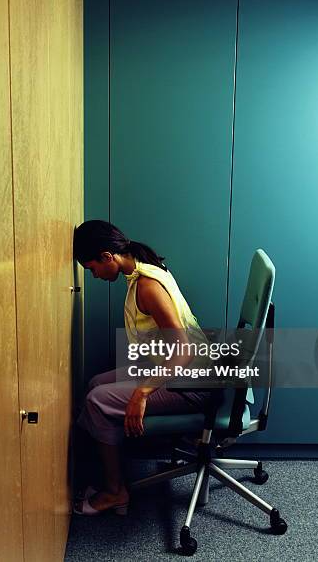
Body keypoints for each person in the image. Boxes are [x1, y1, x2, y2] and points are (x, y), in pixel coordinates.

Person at [72, 220, 212, 516]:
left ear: (108, 257)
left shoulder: (147, 286)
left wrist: (142, 392)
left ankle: (115, 492)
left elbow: (184, 350)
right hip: (172, 365)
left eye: (92, 268)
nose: (94, 276)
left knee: (98, 401)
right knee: (96, 384)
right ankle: (108, 474)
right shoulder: (142, 265)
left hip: (193, 381)